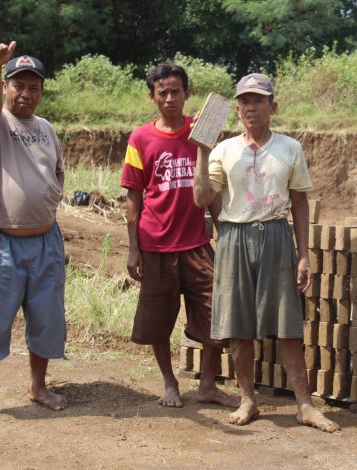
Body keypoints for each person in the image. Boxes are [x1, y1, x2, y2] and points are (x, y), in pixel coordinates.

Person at [193, 73, 339, 432]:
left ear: (273, 106)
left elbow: (301, 203)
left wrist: (303, 254)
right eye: (244, 101)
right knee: (238, 326)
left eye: (258, 100)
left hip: (275, 235)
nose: (250, 107)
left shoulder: (289, 148)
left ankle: (304, 405)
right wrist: (201, 148)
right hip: (233, 237)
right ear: (238, 109)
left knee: (287, 325)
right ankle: (248, 400)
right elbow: (200, 199)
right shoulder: (224, 150)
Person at [121, 62, 239, 409]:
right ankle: (170, 383)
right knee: (159, 321)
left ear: (187, 94)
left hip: (197, 244)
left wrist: (224, 236)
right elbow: (133, 198)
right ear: (152, 97)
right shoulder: (140, 139)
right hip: (155, 244)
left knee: (215, 313)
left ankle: (206, 385)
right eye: (163, 92)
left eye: (176, 91)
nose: (170, 98)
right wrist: (133, 250)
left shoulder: (202, 132)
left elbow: (214, 190)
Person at [0, 41, 67, 421]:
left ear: (41, 91)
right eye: (18, 85)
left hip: (45, 242)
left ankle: (38, 386)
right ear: (6, 87)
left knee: (46, 319)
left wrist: (51, 198)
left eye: (33, 87)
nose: (26, 93)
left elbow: (56, 172)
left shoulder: (46, 129)